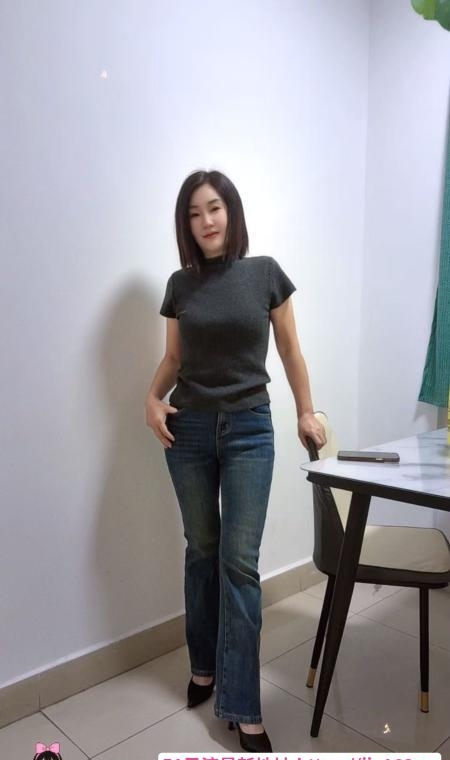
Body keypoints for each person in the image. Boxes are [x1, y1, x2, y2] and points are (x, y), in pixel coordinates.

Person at [145, 169, 326, 751]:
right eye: (194, 213)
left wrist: (306, 411)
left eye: (214, 208)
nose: (206, 221)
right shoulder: (180, 285)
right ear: (186, 224)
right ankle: (203, 667)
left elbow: (290, 349)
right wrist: (151, 399)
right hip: (190, 430)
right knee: (201, 549)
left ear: (232, 211)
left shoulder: (265, 274)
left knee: (239, 564)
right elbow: (174, 359)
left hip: (250, 428)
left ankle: (243, 704)